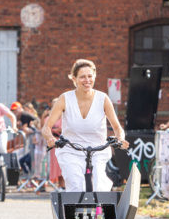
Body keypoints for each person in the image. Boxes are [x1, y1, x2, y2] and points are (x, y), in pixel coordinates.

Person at [42, 59, 129, 192]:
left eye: (90, 76)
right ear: (74, 79)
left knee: (99, 186)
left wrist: (120, 139)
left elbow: (117, 128)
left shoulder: (103, 99)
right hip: (71, 150)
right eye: (82, 77)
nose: (87, 80)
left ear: (94, 76)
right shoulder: (65, 99)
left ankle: (99, 210)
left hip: (98, 150)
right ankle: (74, 210)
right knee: (76, 186)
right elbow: (46, 127)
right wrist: (50, 139)